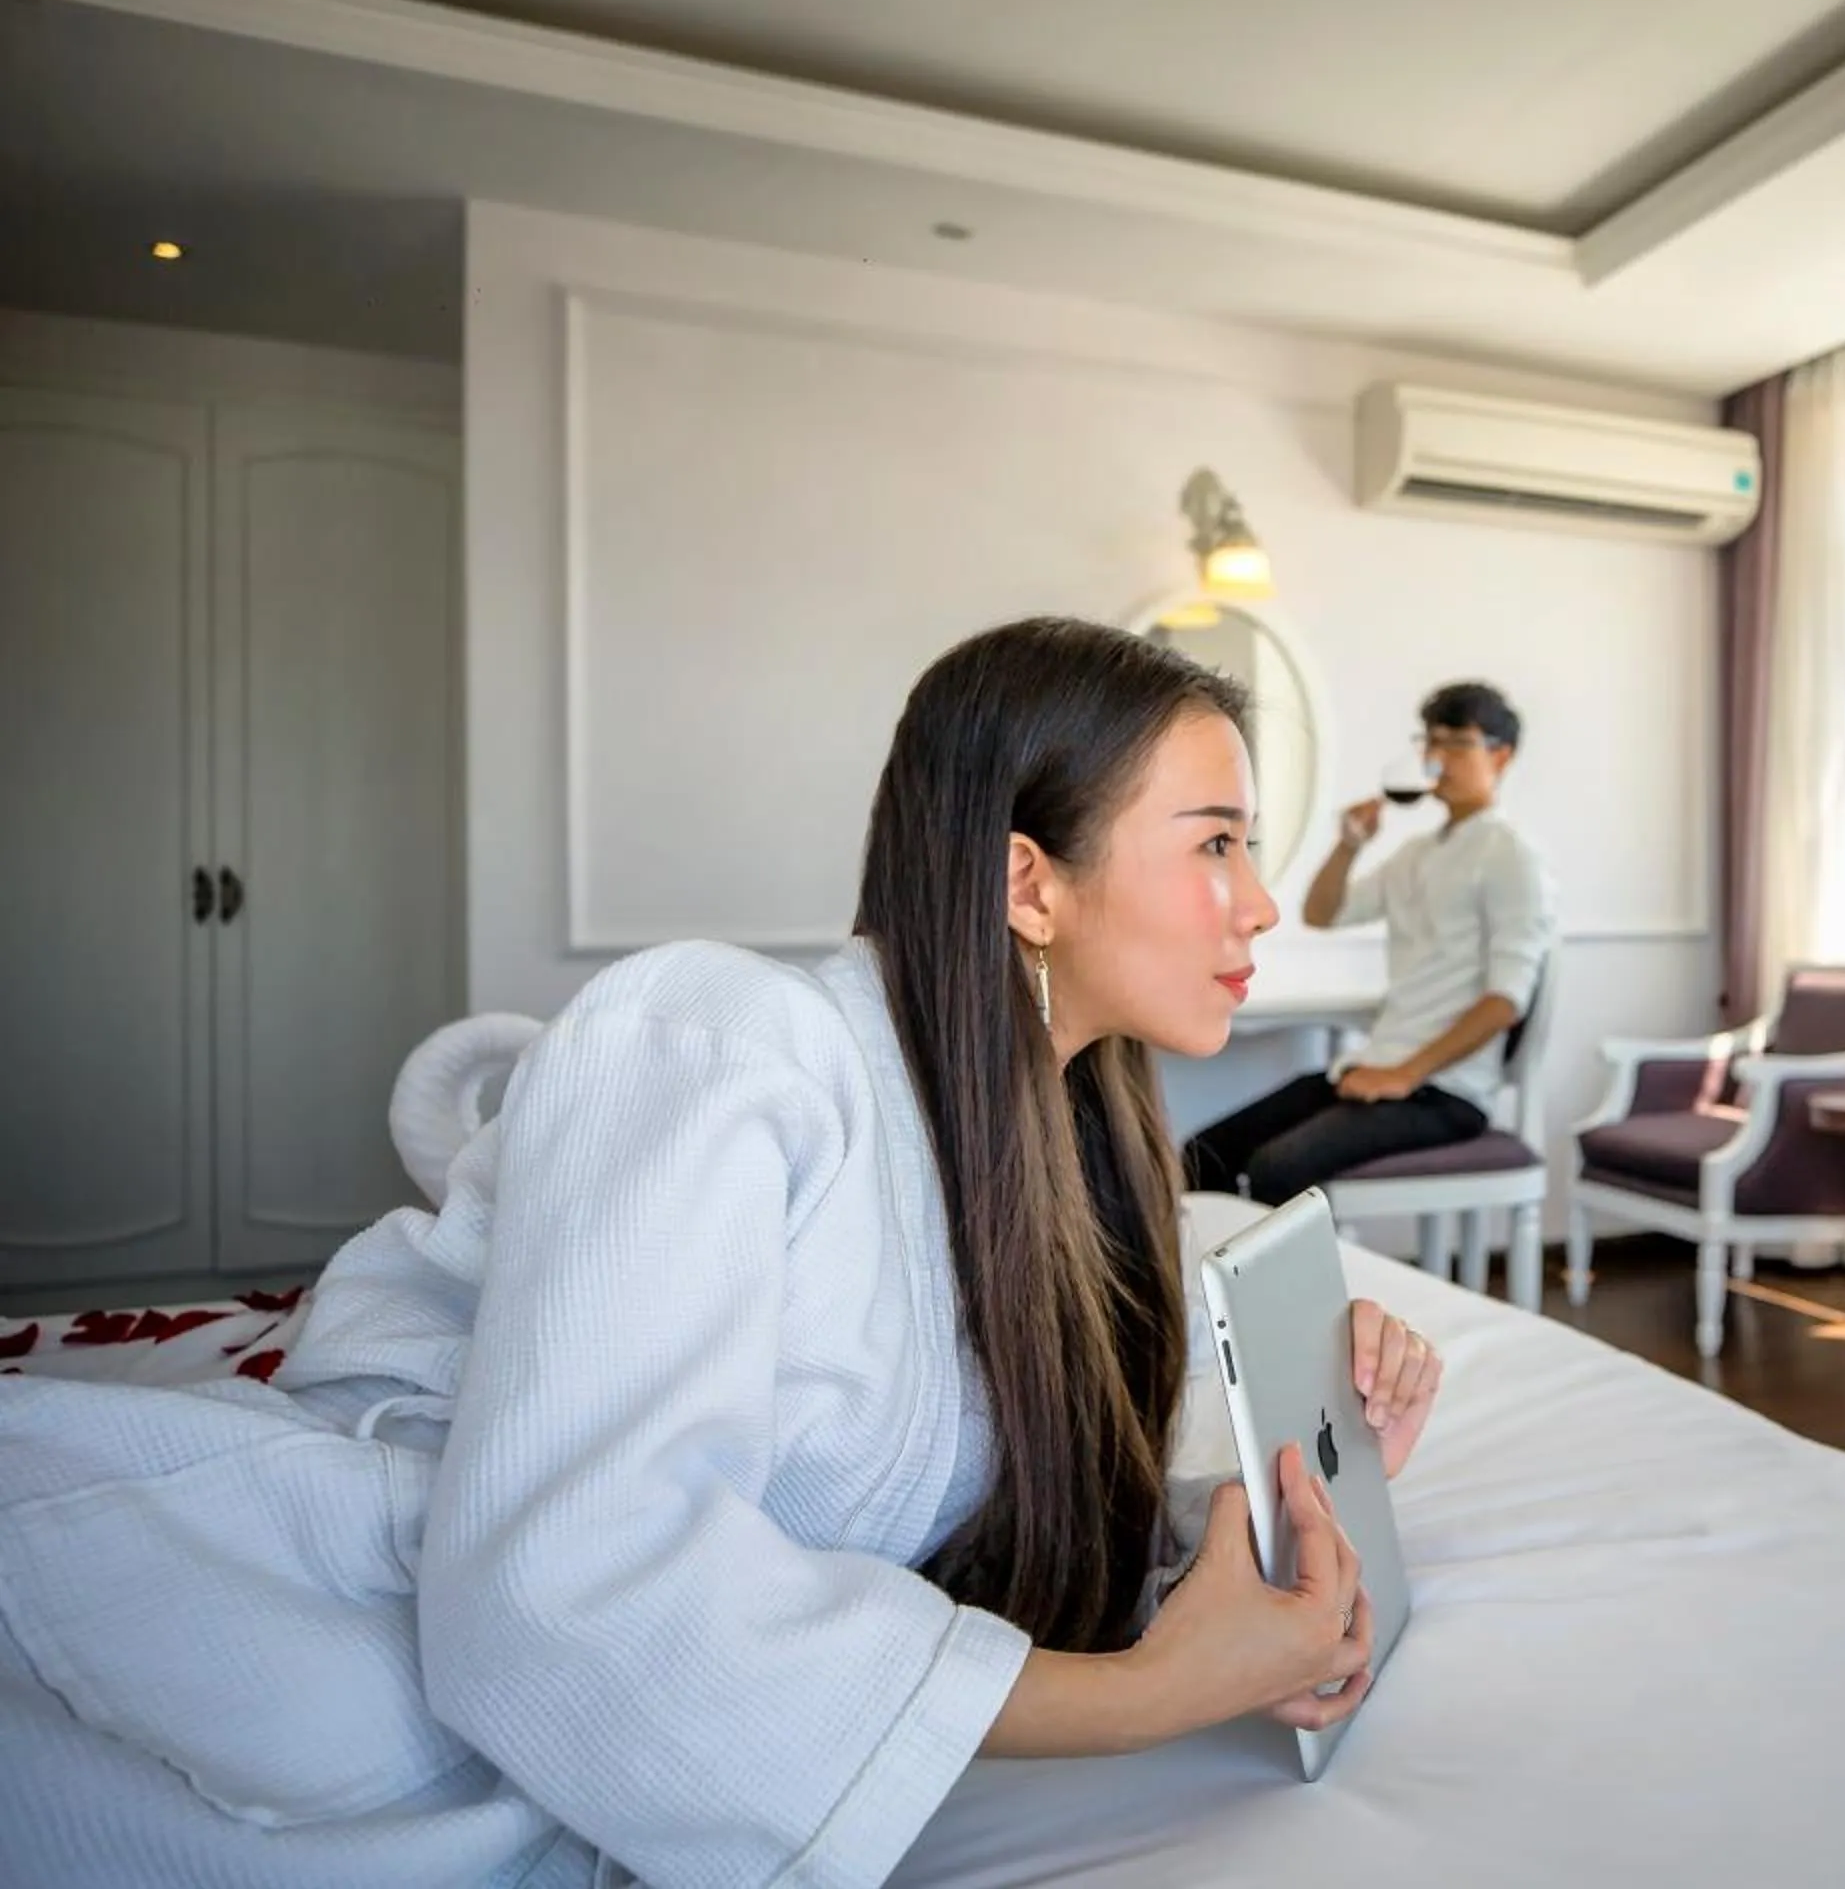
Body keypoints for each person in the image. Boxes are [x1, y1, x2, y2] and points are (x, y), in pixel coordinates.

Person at [0, 619, 1447, 1888]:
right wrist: (1146, 1696)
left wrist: (1256, 1513)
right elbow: (572, 1590)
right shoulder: (721, 1042)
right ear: (1028, 884)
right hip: (312, 1674)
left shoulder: (1063, 1155)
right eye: (1214, 842)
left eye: (1250, 847)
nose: (1259, 901)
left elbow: (970, 1506)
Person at [1182, 682, 1555, 1205]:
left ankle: (1291, 1290)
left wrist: (1404, 1074)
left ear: (1501, 755)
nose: (1436, 757)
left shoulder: (1510, 856)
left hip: (1443, 1091)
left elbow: (1505, 1002)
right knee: (1202, 1154)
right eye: (1432, 741)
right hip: (1374, 1069)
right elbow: (1322, 913)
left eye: (1457, 743)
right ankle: (1205, 1285)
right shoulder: (1418, 854)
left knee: (1277, 1167)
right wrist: (1348, 845)